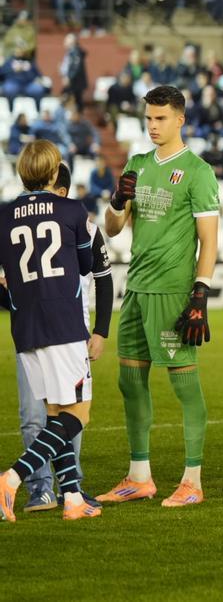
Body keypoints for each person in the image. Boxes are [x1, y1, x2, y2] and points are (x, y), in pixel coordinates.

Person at [98, 85, 220, 508]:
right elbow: (113, 230)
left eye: (161, 118)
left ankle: (193, 482)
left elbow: (209, 242)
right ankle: (139, 477)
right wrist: (117, 201)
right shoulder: (136, 164)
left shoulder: (198, 172)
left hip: (172, 293)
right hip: (134, 289)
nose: (152, 126)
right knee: (129, 381)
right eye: (148, 118)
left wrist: (199, 294)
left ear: (180, 119)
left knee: (184, 385)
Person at [0, 140, 98, 521]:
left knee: (55, 412)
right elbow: (87, 264)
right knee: (77, 415)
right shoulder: (72, 209)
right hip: (63, 323)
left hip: (24, 326)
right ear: (55, 171)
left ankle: (72, 498)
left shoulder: (5, 215)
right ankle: (13, 476)